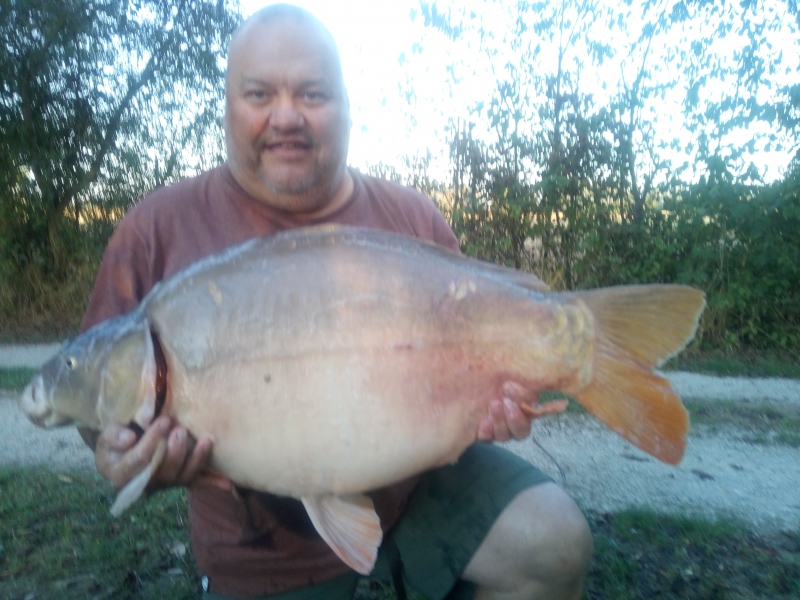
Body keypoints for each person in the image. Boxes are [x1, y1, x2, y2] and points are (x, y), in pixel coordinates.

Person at [78, 5, 592, 599]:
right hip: (262, 549)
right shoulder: (155, 230)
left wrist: (494, 405)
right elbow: (98, 390)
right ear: (228, 106)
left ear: (348, 107)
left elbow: (472, 393)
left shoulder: (410, 218)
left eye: (313, 94)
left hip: (415, 490)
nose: (287, 116)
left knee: (553, 542)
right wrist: (118, 450)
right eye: (259, 93)